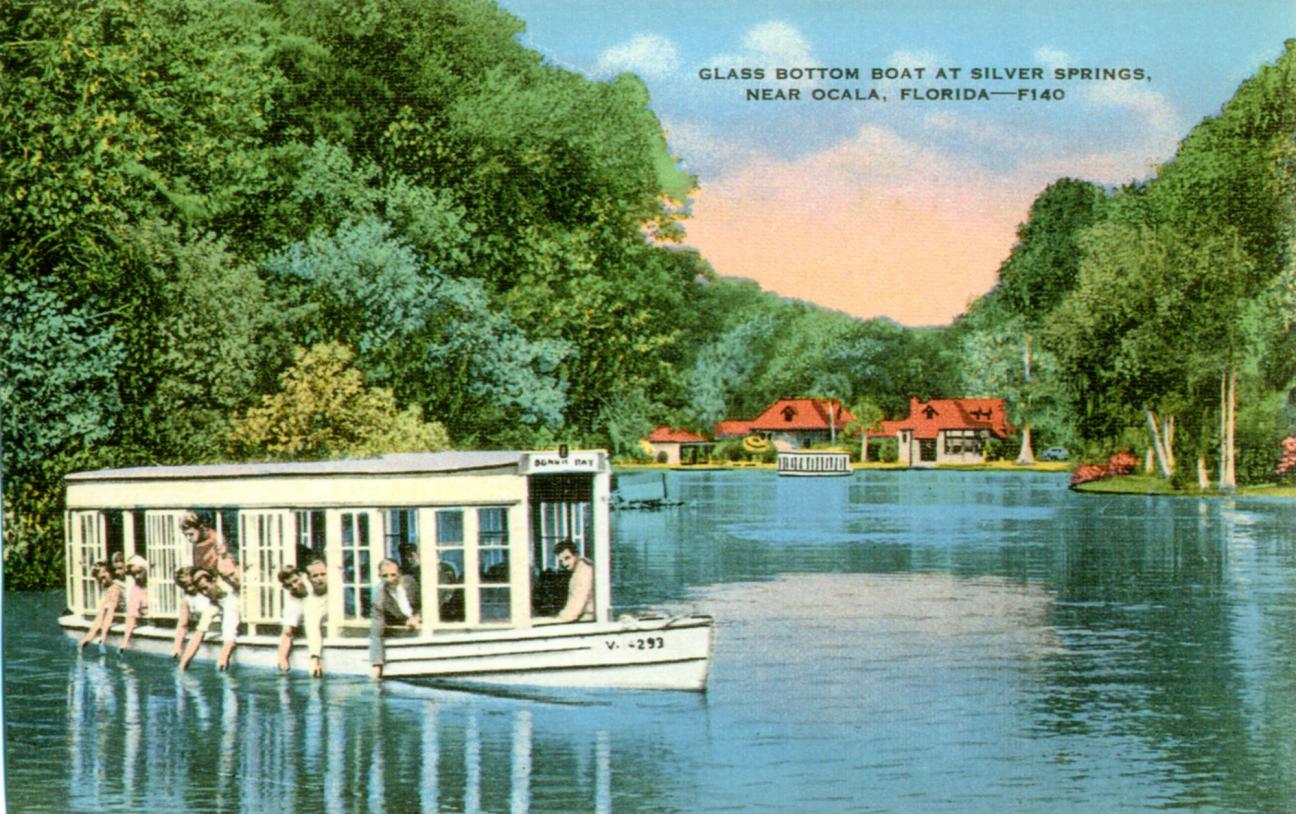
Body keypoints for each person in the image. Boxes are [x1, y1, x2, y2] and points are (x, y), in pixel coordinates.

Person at [179, 567, 240, 671]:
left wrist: (223, 658)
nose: (205, 593)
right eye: (201, 591)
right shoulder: (214, 602)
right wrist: (182, 665)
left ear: (214, 581)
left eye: (206, 588)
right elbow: (199, 632)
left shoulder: (231, 597)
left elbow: (229, 634)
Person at [369, 558, 420, 681]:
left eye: (393, 575)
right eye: (385, 576)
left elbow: (427, 602)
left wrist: (418, 616)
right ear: (379, 576)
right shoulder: (378, 596)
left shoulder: (410, 583)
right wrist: (377, 664)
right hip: (403, 630)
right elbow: (376, 633)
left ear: (400, 573)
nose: (390, 579)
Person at [536, 540, 594, 624]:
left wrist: (556, 619)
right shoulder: (578, 570)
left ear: (576, 555)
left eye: (567, 558)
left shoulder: (583, 572)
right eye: (561, 561)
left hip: (588, 621)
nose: (564, 563)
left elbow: (575, 607)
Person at [79, 561, 125, 649]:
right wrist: (90, 635)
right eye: (100, 580)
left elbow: (110, 612)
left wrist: (103, 635)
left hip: (120, 612)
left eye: (104, 577)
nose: (103, 581)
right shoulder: (108, 589)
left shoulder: (115, 588)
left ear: (110, 573)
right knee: (102, 609)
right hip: (113, 612)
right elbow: (101, 615)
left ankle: (97, 637)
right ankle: (90, 637)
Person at [171, 566, 212, 660]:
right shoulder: (186, 600)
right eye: (184, 586)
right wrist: (177, 647)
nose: (189, 589)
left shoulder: (209, 592)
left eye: (191, 584)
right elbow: (182, 624)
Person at [276, 565, 309, 671]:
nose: (294, 586)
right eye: (289, 585)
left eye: (295, 581)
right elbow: (287, 632)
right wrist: (283, 658)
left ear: (301, 576)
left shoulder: (312, 583)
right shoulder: (292, 602)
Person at [302, 558, 330, 677]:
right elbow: (312, 628)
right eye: (315, 576)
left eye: (323, 574)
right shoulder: (311, 602)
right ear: (309, 579)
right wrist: (315, 658)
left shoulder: (339, 591)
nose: (320, 578)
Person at [118, 554, 150, 651]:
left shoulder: (158, 583)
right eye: (133, 574)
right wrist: (124, 642)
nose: (137, 576)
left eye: (139, 572)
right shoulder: (136, 590)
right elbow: (131, 615)